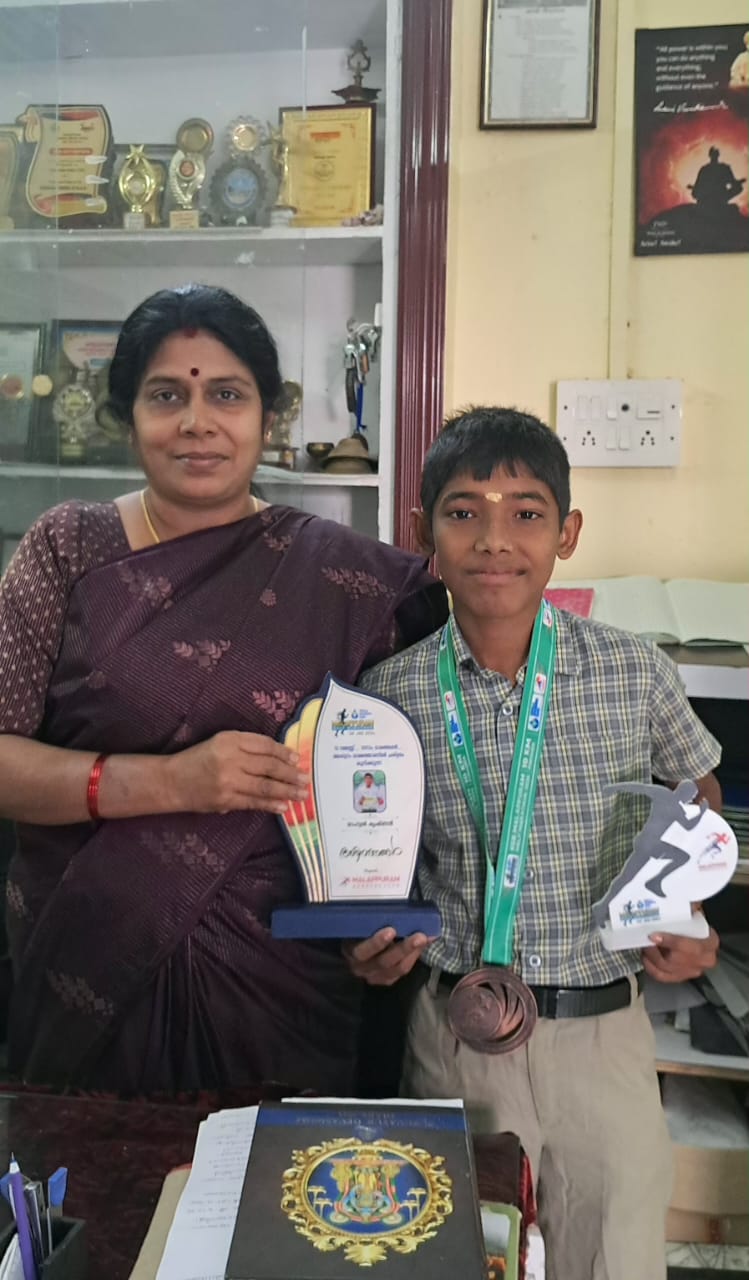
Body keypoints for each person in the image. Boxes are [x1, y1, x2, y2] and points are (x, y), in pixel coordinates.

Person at [0, 283, 446, 1095]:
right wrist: (171, 783)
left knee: (271, 1175)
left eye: (227, 395)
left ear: (268, 417)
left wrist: (379, 924)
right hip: (88, 965)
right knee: (93, 1173)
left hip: (281, 982)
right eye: (167, 395)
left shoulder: (343, 580)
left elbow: (404, 784)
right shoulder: (68, 550)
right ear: (127, 416)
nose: (197, 422)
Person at [346, 407, 721, 1280]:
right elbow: (371, 854)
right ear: (423, 532)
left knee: (612, 1258)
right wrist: (364, 943)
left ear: (567, 533)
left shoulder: (633, 670)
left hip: (603, 1036)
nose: (493, 539)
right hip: (455, 1037)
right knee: (449, 1256)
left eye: (525, 513)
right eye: (463, 512)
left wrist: (687, 901)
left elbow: (697, 786)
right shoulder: (387, 697)